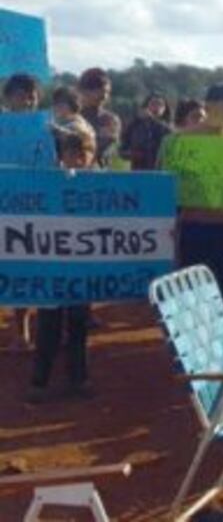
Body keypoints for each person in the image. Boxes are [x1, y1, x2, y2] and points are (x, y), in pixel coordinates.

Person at [26, 132, 97, 403]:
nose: (77, 158)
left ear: (91, 157)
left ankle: (79, 379)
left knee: (79, 327)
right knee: (48, 327)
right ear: (61, 156)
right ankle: (39, 381)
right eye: (71, 153)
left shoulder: (104, 185)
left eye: (83, 153)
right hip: (52, 271)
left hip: (83, 271)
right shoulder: (46, 184)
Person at [170, 84, 223, 306]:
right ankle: (192, 339)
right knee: (191, 289)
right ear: (212, 106)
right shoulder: (184, 138)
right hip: (194, 225)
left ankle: (222, 339)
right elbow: (174, 184)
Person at [2, 73, 42, 351]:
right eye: (20, 94)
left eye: (31, 94)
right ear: (8, 97)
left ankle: (23, 331)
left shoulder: (46, 127)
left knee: (23, 269)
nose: (27, 99)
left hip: (34, 208)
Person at [77, 67, 121, 168]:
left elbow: (104, 147)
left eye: (107, 93)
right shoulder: (71, 117)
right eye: (99, 92)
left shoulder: (109, 119)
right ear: (84, 91)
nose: (104, 97)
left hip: (99, 172)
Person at [120, 94, 172, 170]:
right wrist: (132, 154)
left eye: (160, 104)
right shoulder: (134, 126)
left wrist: (152, 120)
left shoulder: (167, 129)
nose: (157, 107)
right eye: (153, 104)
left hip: (161, 171)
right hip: (138, 171)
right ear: (146, 107)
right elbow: (122, 150)